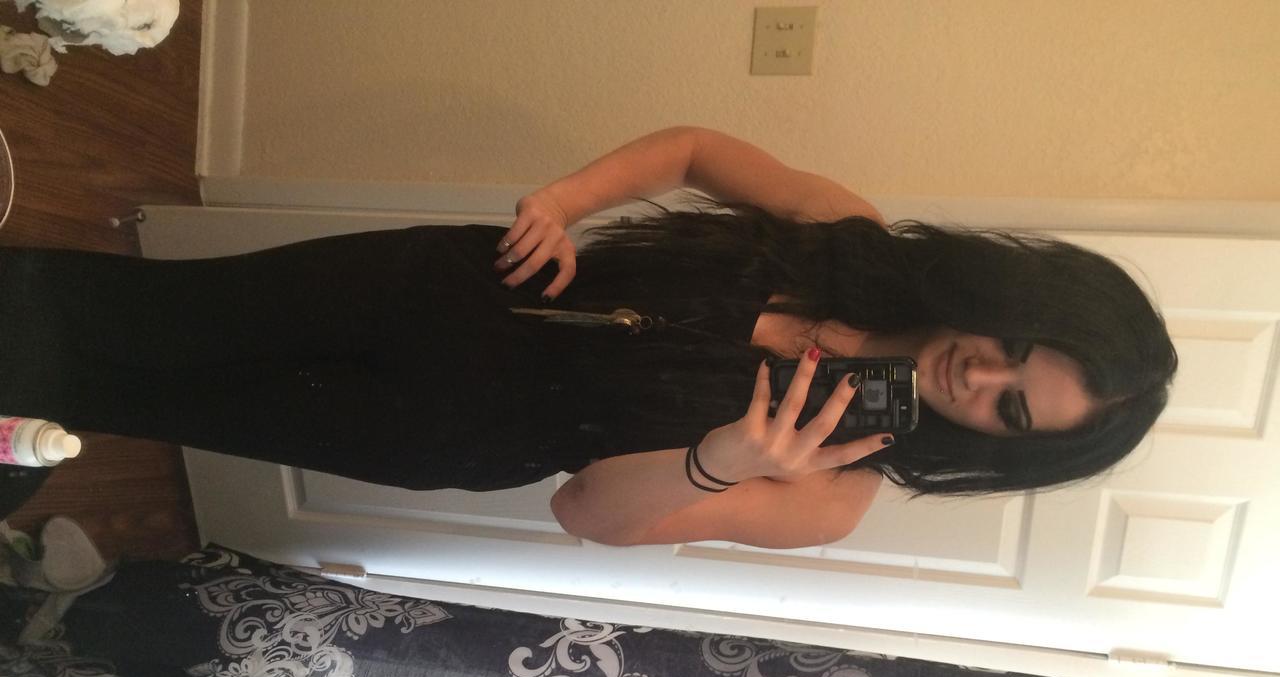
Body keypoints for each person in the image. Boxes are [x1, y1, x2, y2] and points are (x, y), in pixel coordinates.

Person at [0, 127, 1176, 548]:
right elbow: (694, 149)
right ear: (1016, 296)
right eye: (1018, 345)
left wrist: (724, 461)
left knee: (149, 402)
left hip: (443, 426)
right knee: (152, 316)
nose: (981, 374)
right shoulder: (847, 237)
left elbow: (583, 514)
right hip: (441, 285)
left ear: (1001, 444)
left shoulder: (828, 495)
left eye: (1010, 405)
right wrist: (565, 202)